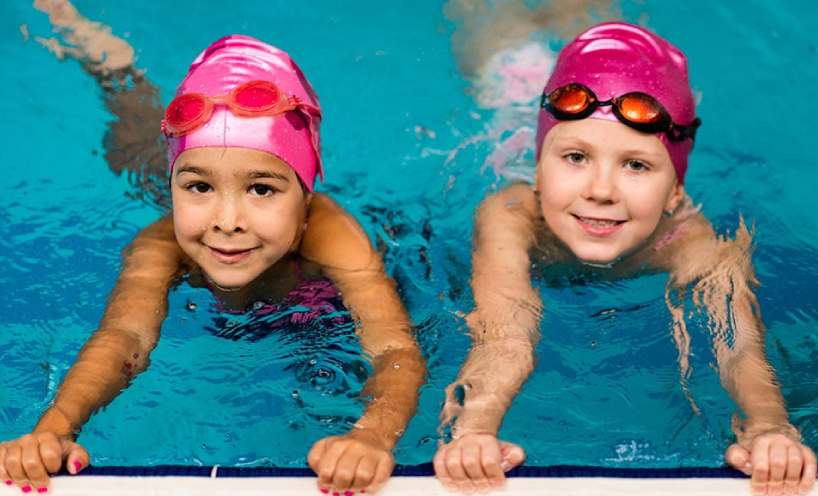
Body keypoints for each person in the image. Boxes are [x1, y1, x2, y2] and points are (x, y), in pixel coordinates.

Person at [1, 24, 424, 496]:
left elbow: (393, 350)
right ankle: (115, 69)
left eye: (262, 189)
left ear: (305, 199)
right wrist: (55, 426)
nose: (227, 221)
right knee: (133, 147)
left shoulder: (335, 238)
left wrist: (372, 434)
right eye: (198, 186)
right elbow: (125, 338)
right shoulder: (161, 246)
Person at [432, 22, 816, 496]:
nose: (600, 191)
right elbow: (506, 332)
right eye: (575, 157)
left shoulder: (692, 243)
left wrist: (769, 427)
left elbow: (737, 346)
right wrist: (475, 429)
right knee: (498, 45)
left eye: (636, 165)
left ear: (675, 191)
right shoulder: (511, 215)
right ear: (537, 170)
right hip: (507, 106)